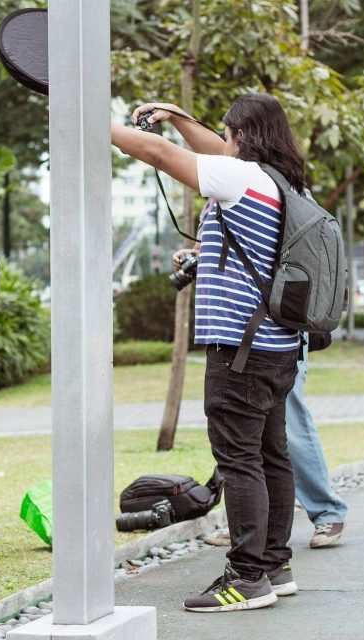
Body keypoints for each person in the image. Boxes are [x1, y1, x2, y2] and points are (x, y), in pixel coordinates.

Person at [113, 94, 303, 612]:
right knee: (271, 456)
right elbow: (213, 152)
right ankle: (274, 564)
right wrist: (178, 116)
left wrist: (90, 120)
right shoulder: (283, 183)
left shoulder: (239, 177)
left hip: (240, 350)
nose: (223, 140)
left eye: (228, 131)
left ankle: (247, 579)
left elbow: (157, 153)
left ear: (243, 135)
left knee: (239, 461)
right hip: (278, 346)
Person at [286, 336, 348, 548]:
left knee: (291, 421)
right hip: (238, 338)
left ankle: (327, 510)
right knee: (244, 429)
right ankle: (248, 522)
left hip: (283, 332)